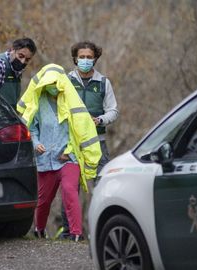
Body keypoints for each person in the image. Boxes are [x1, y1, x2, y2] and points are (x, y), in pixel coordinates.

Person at [17, 64, 101, 242]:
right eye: (50, 83)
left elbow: (78, 130)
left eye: (56, 83)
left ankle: (76, 233)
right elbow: (32, 128)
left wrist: (69, 151)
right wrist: (36, 143)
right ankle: (39, 230)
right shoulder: (38, 103)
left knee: (70, 191)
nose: (54, 87)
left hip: (68, 158)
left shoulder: (72, 101)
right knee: (44, 200)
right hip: (45, 159)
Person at [57, 41, 119, 239]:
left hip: (97, 143)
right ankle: (69, 232)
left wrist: (100, 119)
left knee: (103, 186)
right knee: (70, 188)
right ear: (75, 58)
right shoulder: (65, 81)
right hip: (72, 144)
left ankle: (105, 231)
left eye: (89, 57)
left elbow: (113, 110)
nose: (85, 60)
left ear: (95, 58)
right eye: (81, 57)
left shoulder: (103, 83)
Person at [0, 38, 37, 109]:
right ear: (12, 50)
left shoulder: (16, 71)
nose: (22, 61)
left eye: (27, 60)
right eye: (20, 56)